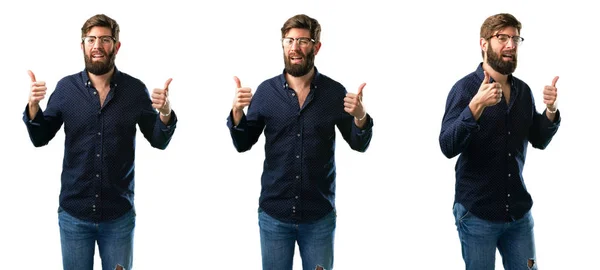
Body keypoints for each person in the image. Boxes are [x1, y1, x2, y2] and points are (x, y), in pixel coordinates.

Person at [23, 14, 177, 270]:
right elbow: (40, 137)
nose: (97, 46)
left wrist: (165, 113)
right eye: (91, 39)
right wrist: (32, 107)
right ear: (82, 45)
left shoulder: (135, 90)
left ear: (116, 46)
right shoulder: (66, 89)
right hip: (74, 215)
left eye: (105, 39)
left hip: (118, 216)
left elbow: (159, 140)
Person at [226, 14, 373, 270]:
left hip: (319, 217)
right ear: (283, 45)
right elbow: (243, 143)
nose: (295, 47)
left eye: (303, 41)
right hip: (274, 215)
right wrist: (237, 113)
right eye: (289, 40)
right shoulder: (266, 92)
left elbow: (359, 144)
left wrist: (360, 117)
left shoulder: (334, 93)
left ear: (316, 47)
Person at [439, 13, 561, 270]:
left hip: (518, 214)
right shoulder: (464, 89)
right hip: (476, 213)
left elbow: (538, 139)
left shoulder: (523, 92)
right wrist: (475, 107)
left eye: (515, 38)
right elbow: (447, 146)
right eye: (502, 37)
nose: (511, 45)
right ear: (484, 44)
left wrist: (550, 110)